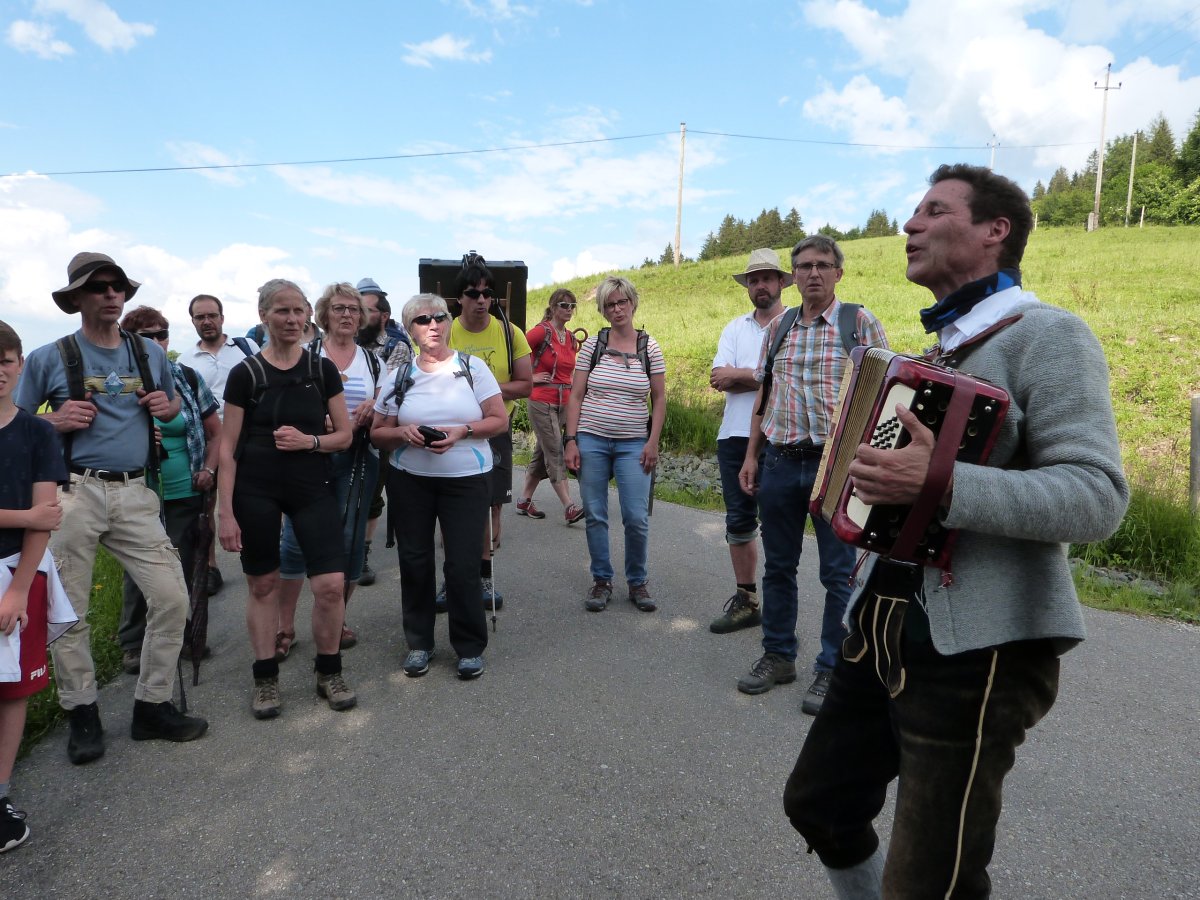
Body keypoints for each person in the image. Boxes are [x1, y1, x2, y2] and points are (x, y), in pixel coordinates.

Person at [782, 164, 1129, 899]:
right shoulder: (935, 352)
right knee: (820, 805)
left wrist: (939, 484)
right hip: (877, 622)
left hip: (979, 646)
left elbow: (1097, 498)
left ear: (994, 231)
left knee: (933, 881)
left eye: (933, 210)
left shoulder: (1048, 335)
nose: (909, 224)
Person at [15, 252, 209, 763]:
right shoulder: (48, 357)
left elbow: (170, 404)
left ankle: (152, 705)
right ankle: (83, 713)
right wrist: (52, 422)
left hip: (135, 492)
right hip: (72, 492)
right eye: (98, 287)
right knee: (69, 611)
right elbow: (10, 422)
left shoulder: (148, 352)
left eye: (117, 285)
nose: (110, 294)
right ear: (76, 298)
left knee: (172, 597)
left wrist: (163, 406)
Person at [736, 235, 888, 716]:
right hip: (780, 459)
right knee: (778, 566)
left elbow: (888, 393)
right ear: (793, 275)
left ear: (838, 273)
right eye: (804, 266)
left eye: (823, 265)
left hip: (837, 465)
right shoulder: (778, 327)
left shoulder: (858, 322)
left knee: (838, 572)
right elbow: (764, 396)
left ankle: (831, 666)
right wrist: (751, 457)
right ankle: (779, 655)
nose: (813, 274)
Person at [218, 278, 356, 718]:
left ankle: (328, 671)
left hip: (310, 486)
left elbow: (345, 436)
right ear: (264, 316)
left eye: (299, 311)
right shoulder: (246, 374)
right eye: (282, 311)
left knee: (331, 586)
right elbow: (228, 446)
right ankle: (265, 680)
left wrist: (310, 442)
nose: (293, 319)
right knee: (263, 584)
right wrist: (225, 512)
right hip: (255, 489)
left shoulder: (321, 370)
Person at [371, 294, 507, 680]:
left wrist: (462, 431)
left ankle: (468, 647)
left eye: (439, 317)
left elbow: (497, 420)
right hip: (410, 480)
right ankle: (419, 643)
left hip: (466, 480)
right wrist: (402, 432)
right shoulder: (399, 375)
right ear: (409, 329)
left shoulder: (472, 368)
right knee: (414, 561)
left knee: (462, 564)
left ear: (449, 321)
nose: (432, 324)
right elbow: (378, 434)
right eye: (421, 319)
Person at [275, 283, 380, 658]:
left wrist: (374, 404)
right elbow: (282, 403)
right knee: (294, 540)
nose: (347, 315)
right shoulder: (305, 354)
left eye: (353, 309)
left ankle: (337, 618)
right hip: (308, 458)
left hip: (357, 457)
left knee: (350, 537)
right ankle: (283, 624)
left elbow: (384, 409)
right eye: (339, 308)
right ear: (324, 314)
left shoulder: (372, 362)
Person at [116, 306, 221, 676]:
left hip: (185, 491)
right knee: (138, 569)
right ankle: (134, 641)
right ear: (129, 341)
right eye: (147, 336)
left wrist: (209, 468)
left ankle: (183, 633)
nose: (157, 341)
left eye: (162, 334)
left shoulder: (186, 378)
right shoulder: (117, 382)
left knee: (184, 565)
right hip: (137, 491)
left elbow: (216, 431)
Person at [0, 319, 70, 853]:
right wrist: (24, 514)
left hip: (17, 574)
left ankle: (0, 793)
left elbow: (49, 518)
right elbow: (39, 513)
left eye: (5, 360)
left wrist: (20, 590)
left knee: (13, 690)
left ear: (19, 365)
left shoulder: (38, 431)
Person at [563, 276, 666, 613]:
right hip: (591, 439)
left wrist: (652, 442)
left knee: (636, 516)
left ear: (633, 303)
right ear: (603, 310)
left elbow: (660, 399)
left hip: (634, 443)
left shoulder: (648, 347)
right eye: (610, 304)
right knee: (595, 513)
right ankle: (602, 581)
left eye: (622, 302)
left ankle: (637, 582)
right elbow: (576, 396)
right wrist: (571, 440)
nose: (617, 308)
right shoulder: (593, 346)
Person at [707, 249, 790, 636]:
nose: (759, 285)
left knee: (777, 523)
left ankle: (778, 610)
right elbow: (718, 377)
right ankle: (747, 601)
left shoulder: (795, 325)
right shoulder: (734, 328)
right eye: (753, 279)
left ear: (780, 283)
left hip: (781, 436)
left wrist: (748, 377)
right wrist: (761, 374)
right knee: (739, 521)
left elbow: (786, 379)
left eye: (766, 278)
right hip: (733, 435)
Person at [447, 256, 533, 611]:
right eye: (473, 293)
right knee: (451, 510)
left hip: (494, 429)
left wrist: (484, 389)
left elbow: (526, 385)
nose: (481, 300)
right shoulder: (444, 330)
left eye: (487, 293)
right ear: (460, 299)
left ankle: (483, 577)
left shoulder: (510, 333)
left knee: (488, 506)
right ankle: (450, 581)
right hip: (453, 432)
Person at [178, 293, 258, 595]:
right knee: (207, 504)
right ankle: (210, 566)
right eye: (200, 317)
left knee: (253, 496)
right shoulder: (186, 360)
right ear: (193, 322)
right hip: (210, 439)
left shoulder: (245, 348)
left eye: (212, 315)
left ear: (222, 318)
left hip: (247, 435)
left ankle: (261, 552)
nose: (207, 321)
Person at [355, 278, 412, 587]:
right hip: (340, 429)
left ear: (384, 316)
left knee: (373, 493)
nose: (359, 315)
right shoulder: (340, 345)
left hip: (378, 430)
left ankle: (360, 554)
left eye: (367, 309)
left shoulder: (396, 346)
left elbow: (388, 395)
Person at [518, 288, 585, 524]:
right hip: (541, 400)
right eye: (563, 305)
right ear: (553, 307)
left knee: (542, 452)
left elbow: (570, 372)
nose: (568, 310)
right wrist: (531, 378)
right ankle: (569, 506)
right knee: (556, 449)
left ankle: (524, 499)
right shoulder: (541, 331)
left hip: (563, 402)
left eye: (572, 305)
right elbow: (517, 352)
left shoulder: (569, 337)